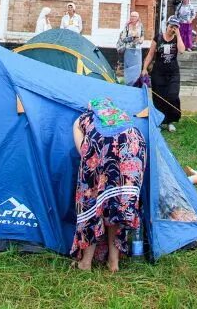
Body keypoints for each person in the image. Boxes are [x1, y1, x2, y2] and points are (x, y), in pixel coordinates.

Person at [70, 98, 146, 272]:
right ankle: (114, 262)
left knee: (92, 205)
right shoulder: (122, 117)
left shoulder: (81, 119)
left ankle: (85, 263)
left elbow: (84, 151)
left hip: (101, 147)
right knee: (116, 206)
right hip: (133, 146)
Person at [142, 16, 185, 131]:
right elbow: (151, 54)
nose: (172, 29)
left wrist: (179, 35)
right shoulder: (158, 37)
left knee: (173, 95)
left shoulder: (177, 39)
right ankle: (160, 121)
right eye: (171, 26)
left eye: (175, 27)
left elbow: (181, 50)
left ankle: (170, 121)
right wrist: (144, 68)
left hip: (173, 72)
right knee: (159, 97)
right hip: (159, 72)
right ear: (167, 25)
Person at [116, 11, 144, 86]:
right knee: (128, 68)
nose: (132, 18)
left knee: (137, 68)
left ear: (138, 18)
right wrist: (131, 38)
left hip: (137, 50)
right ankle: (129, 84)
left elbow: (142, 35)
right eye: (131, 16)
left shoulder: (140, 25)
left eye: (134, 16)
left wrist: (141, 40)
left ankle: (136, 84)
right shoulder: (127, 26)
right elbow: (123, 38)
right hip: (129, 50)